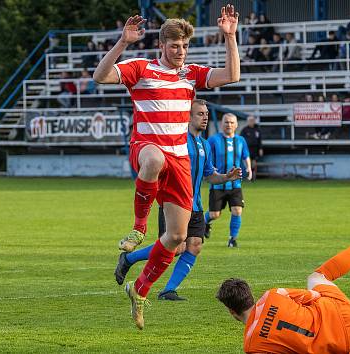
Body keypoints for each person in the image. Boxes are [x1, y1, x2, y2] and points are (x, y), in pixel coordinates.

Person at [93, 4, 241, 330]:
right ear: (162, 45)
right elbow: (100, 76)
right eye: (175, 45)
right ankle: (138, 227)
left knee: (176, 237)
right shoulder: (141, 68)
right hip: (146, 149)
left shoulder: (191, 74)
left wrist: (230, 36)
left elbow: (232, 76)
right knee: (154, 158)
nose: (180, 51)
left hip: (181, 161)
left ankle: (141, 290)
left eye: (185, 46)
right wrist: (122, 43)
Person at [216, 220, 350, 354]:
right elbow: (313, 296)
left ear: (232, 312)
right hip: (341, 310)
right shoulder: (272, 295)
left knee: (340, 343)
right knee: (317, 277)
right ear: (250, 294)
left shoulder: (252, 345)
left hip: (335, 345)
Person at [114, 100, 242, 301]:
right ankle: (128, 259)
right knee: (175, 248)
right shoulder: (176, 142)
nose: (205, 117)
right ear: (187, 117)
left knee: (195, 245)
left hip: (196, 205)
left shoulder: (205, 144)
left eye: (206, 113)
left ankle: (168, 290)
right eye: (200, 113)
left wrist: (226, 177)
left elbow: (210, 175)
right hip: (174, 204)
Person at [204, 113, 252, 247]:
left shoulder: (241, 140)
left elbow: (245, 156)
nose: (229, 125)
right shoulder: (213, 140)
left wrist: (249, 168)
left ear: (236, 125)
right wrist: (208, 168)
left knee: (237, 210)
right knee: (214, 214)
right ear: (221, 124)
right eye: (226, 122)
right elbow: (206, 155)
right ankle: (205, 222)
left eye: (232, 122)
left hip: (235, 184)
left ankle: (232, 239)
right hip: (218, 184)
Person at [239, 115, 263, 180]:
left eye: (252, 120)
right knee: (247, 162)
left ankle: (253, 176)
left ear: (254, 121)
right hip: (247, 149)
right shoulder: (245, 130)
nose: (251, 122)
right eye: (250, 120)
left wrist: (260, 149)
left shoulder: (257, 129)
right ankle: (248, 175)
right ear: (248, 121)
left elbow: (260, 140)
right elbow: (240, 140)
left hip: (255, 149)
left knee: (254, 163)